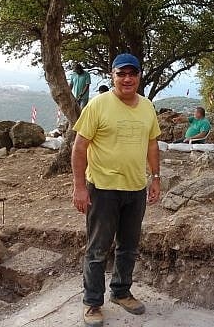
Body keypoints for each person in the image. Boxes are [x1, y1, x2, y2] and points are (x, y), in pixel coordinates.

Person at [71, 53, 161, 327]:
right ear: (113, 76)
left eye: (132, 73)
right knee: (98, 249)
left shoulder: (147, 107)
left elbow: (152, 145)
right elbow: (79, 147)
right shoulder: (98, 105)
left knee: (129, 247)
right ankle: (92, 302)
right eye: (121, 74)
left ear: (139, 76)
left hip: (135, 189)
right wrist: (79, 188)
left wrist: (155, 177)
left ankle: (121, 292)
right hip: (103, 189)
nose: (127, 79)